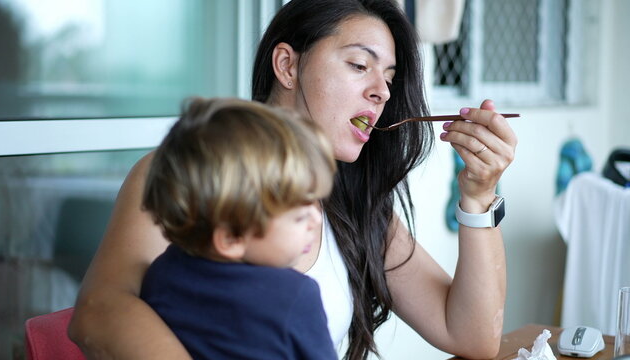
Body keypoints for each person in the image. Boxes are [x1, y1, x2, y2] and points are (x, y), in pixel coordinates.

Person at [69, 0, 517, 359]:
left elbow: (472, 338)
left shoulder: (355, 204)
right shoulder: (197, 177)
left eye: (389, 77)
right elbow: (97, 312)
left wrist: (478, 198)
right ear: (287, 65)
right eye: (360, 65)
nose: (382, 91)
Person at [138, 97, 338, 359]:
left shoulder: (160, 274)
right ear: (231, 238)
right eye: (300, 217)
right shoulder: (294, 296)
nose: (316, 220)